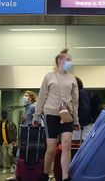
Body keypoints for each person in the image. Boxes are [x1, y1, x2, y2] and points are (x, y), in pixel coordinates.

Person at [32, 48, 79, 181]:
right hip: (51, 114)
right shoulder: (49, 76)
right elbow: (41, 96)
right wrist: (36, 115)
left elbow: (75, 101)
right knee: (51, 149)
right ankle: (45, 173)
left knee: (66, 145)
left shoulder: (72, 79)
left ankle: (65, 177)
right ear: (60, 60)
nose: (70, 62)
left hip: (67, 116)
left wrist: (76, 120)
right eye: (68, 60)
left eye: (71, 60)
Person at [73, 76, 92, 140]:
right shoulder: (81, 93)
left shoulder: (81, 93)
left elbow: (85, 109)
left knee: (77, 142)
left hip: (82, 126)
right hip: (82, 125)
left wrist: (78, 122)